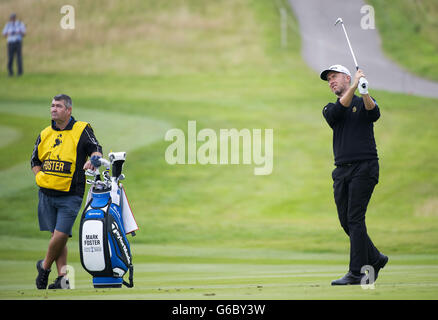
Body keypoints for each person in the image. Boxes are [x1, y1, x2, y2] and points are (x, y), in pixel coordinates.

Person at [320, 64, 388, 285]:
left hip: (365, 167)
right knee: (346, 221)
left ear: (347, 77)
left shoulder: (362, 101)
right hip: (341, 171)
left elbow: (374, 113)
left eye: (334, 77)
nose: (331, 81)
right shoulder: (330, 109)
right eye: (328, 79)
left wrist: (365, 91)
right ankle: (376, 258)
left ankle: (356, 272)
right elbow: (339, 111)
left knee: (355, 218)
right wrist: (356, 85)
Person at [31, 94, 103, 289]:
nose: (53, 109)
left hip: (71, 194)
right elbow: (35, 161)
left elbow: (96, 149)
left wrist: (93, 160)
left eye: (58, 106)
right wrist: (39, 177)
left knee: (61, 235)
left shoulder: (82, 130)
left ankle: (44, 267)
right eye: (52, 106)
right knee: (56, 236)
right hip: (46, 194)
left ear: (68, 110)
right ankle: (64, 279)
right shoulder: (45, 133)